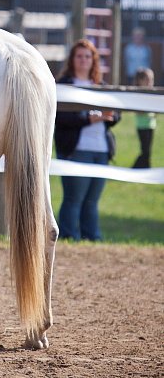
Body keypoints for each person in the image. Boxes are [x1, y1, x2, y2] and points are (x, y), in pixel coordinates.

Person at [54, 38, 120, 241]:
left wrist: (109, 115)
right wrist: (89, 118)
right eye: (79, 56)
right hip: (76, 149)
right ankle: (68, 236)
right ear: (72, 59)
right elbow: (59, 117)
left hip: (101, 150)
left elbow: (117, 114)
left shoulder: (101, 85)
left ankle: (92, 238)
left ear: (94, 60)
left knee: (92, 200)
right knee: (74, 198)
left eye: (88, 56)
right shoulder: (63, 85)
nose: (84, 60)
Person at [132, 67, 156, 169]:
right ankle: (136, 168)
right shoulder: (139, 94)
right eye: (147, 80)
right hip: (142, 126)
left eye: (151, 80)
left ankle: (146, 167)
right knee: (145, 150)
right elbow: (139, 111)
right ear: (140, 81)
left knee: (148, 150)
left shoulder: (152, 94)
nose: (149, 82)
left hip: (151, 125)